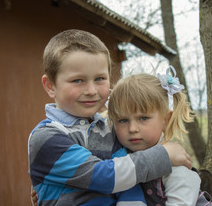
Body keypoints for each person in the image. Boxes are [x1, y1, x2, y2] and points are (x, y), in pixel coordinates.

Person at [28, 29, 192, 206]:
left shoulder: (111, 130)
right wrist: (164, 155)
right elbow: (104, 177)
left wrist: (178, 164)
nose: (91, 91)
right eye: (77, 80)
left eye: (99, 78)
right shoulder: (46, 137)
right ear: (50, 85)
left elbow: (132, 178)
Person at [107, 68, 201, 206]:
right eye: (123, 120)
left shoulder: (175, 165)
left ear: (165, 120)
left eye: (143, 118)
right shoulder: (119, 158)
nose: (133, 129)